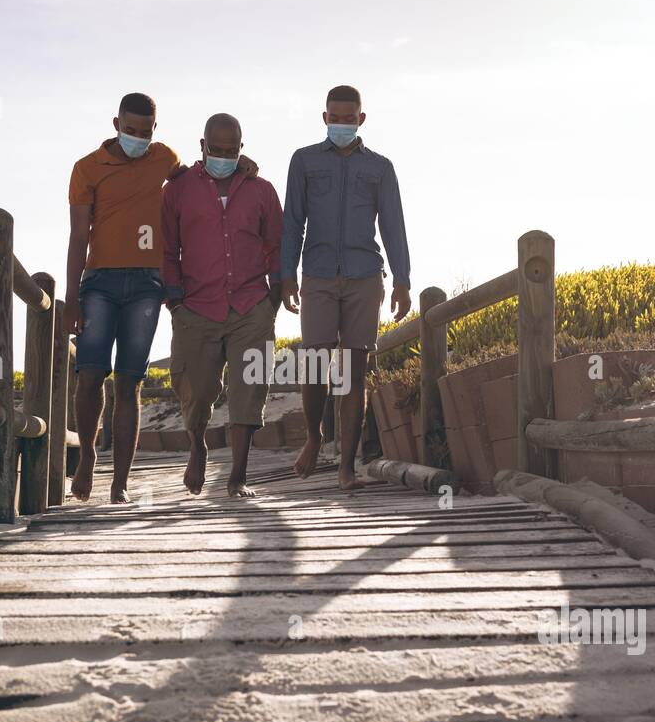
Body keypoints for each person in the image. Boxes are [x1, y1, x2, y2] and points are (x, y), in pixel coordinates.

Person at [64, 93, 257, 503]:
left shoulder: (164, 158)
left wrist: (241, 166)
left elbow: (201, 177)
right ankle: (85, 461)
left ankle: (120, 482)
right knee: (90, 375)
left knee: (130, 382)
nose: (137, 138)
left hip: (148, 285)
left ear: (156, 129)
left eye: (145, 132)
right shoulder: (86, 169)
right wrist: (71, 296)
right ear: (116, 123)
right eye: (130, 130)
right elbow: (79, 235)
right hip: (99, 281)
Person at [280, 85, 412, 489]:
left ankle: (347, 467)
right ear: (324, 119)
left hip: (364, 276)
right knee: (316, 365)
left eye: (348, 118)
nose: (341, 124)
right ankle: (316, 437)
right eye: (334, 118)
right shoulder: (303, 162)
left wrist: (402, 279)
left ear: (361, 119)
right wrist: (286, 274)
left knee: (353, 374)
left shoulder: (380, 168)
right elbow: (292, 221)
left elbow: (393, 225)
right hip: (317, 275)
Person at [162, 113, 283, 497]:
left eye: (232, 151)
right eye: (218, 150)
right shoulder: (177, 190)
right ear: (202, 147)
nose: (225, 157)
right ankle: (197, 445)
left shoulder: (262, 190)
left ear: (241, 150)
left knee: (249, 387)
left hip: (251, 305)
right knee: (195, 391)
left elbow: (277, 246)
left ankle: (238, 476)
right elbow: (167, 248)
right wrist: (175, 302)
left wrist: (272, 300)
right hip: (196, 307)